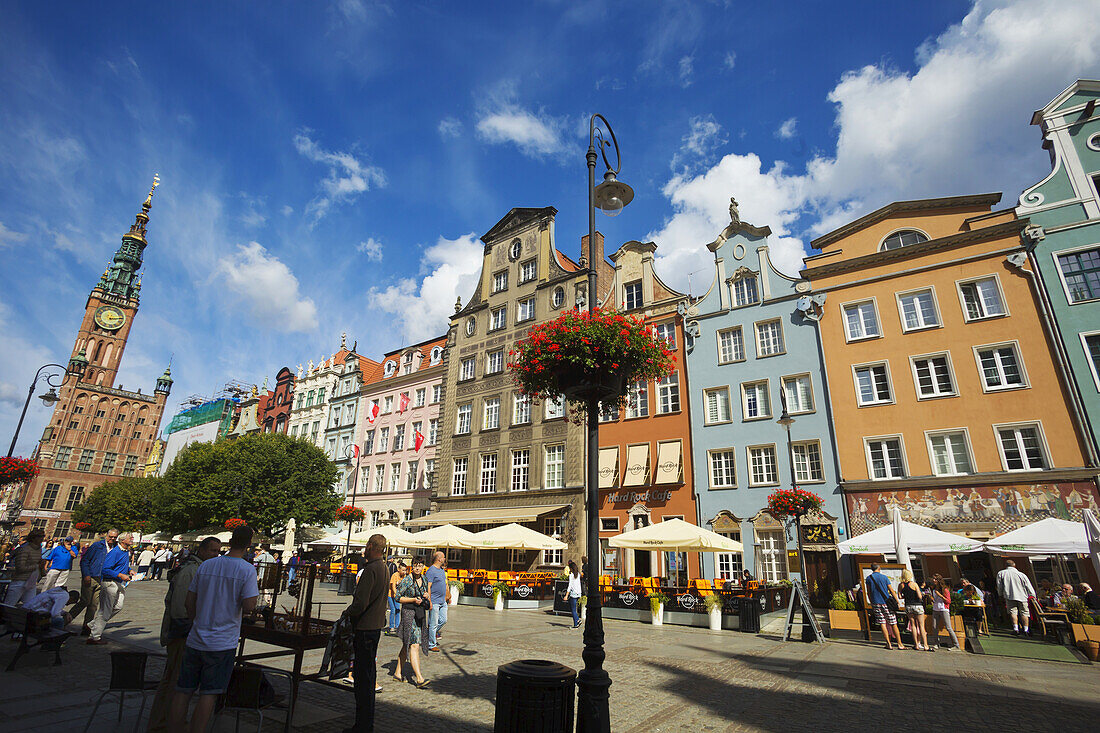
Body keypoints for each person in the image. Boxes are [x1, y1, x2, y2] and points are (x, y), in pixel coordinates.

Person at [169, 525, 259, 733]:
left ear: (230, 541)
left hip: (196, 638)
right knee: (208, 693)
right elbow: (249, 606)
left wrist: (197, 621)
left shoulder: (208, 565)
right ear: (248, 544)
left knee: (183, 691)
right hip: (221, 642)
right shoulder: (246, 569)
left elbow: (189, 601)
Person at [148, 536, 221, 733]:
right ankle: (162, 724)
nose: (216, 555)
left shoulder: (199, 569)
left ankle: (165, 720)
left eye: (218, 551)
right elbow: (180, 607)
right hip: (182, 633)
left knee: (174, 679)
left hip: (186, 630)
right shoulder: (191, 571)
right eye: (213, 551)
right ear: (203, 550)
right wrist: (189, 628)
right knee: (174, 680)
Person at [344, 534, 390, 733]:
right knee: (369, 676)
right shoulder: (385, 568)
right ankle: (366, 722)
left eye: (366, 545)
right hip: (375, 627)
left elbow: (360, 603)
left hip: (364, 628)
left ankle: (362, 725)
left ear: (371, 546)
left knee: (363, 679)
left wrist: (347, 613)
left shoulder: (370, 569)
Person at [87, 532, 134, 644]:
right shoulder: (115, 552)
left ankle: (93, 624)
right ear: (123, 541)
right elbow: (105, 569)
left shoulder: (126, 551)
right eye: (130, 538)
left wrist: (129, 570)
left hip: (119, 583)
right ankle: (94, 637)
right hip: (110, 583)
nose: (132, 539)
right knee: (105, 611)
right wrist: (120, 575)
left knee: (118, 606)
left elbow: (122, 565)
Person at [394, 558, 431, 690]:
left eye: (420, 566)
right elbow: (398, 597)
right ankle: (419, 678)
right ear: (412, 566)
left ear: (423, 567)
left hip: (419, 614)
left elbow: (426, 594)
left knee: (407, 644)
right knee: (414, 645)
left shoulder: (425, 579)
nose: (417, 568)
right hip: (409, 614)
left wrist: (426, 595)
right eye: (415, 566)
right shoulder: (407, 580)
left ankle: (398, 673)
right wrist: (412, 600)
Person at [79, 528, 118, 635]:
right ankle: (65, 620)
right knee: (84, 602)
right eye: (111, 537)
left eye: (114, 537)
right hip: (91, 577)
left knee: (93, 605)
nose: (112, 539)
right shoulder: (97, 546)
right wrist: (86, 575)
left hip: (102, 579)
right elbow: (85, 560)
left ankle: (86, 627)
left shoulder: (115, 548)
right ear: (106, 536)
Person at [865, 563, 905, 650]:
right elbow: (891, 590)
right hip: (886, 602)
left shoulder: (869, 578)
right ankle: (899, 644)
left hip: (876, 602)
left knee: (882, 623)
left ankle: (888, 643)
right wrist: (897, 601)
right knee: (893, 623)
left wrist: (872, 603)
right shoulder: (884, 577)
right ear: (879, 568)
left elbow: (868, 592)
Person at [5, 529, 46, 605]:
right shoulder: (25, 549)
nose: (42, 538)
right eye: (40, 536)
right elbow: (20, 567)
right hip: (20, 580)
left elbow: (38, 564)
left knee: (30, 605)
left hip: (31, 581)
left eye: (43, 536)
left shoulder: (38, 550)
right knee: (9, 604)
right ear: (33, 538)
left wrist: (41, 566)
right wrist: (37, 565)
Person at [996, 559, 1035, 636]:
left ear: (1005, 566)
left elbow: (999, 586)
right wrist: (1032, 595)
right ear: (1014, 565)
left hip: (1009, 595)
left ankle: (1015, 628)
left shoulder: (1001, 573)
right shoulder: (1021, 574)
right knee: (1024, 613)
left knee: (1013, 612)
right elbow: (1028, 585)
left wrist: (1000, 594)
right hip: (1022, 596)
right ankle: (1026, 630)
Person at [898, 569, 930, 651]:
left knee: (913, 625)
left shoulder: (901, 585)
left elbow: (900, 596)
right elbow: (920, 596)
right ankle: (925, 645)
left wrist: (906, 596)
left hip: (908, 605)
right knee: (921, 626)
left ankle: (916, 644)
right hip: (917, 605)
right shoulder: (914, 584)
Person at [424, 551, 449, 651]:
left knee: (443, 620)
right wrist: (429, 601)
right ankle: (431, 644)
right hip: (434, 601)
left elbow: (445, 584)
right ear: (439, 559)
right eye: (443, 558)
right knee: (433, 624)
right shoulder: (431, 571)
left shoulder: (441, 570)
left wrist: (448, 595)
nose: (444, 559)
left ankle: (428, 633)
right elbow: (428, 586)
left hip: (442, 601)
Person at [928, 575, 960, 651]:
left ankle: (956, 645)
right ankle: (936, 643)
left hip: (943, 609)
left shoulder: (944, 589)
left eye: (935, 579)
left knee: (948, 627)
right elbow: (936, 600)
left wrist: (940, 596)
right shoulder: (934, 589)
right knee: (934, 627)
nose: (933, 580)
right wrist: (932, 599)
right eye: (933, 579)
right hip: (936, 609)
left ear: (939, 580)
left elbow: (948, 601)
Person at [388, 562, 407, 633]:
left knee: (398, 609)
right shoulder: (394, 575)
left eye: (405, 570)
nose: (404, 572)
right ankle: (391, 627)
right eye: (403, 570)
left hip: (398, 596)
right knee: (393, 610)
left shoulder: (404, 576)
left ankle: (397, 626)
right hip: (391, 595)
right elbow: (393, 587)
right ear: (399, 569)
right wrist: (397, 595)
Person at [566, 560, 582, 629]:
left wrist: (566, 595)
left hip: (573, 593)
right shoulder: (578, 574)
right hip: (578, 593)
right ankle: (576, 622)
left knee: (573, 609)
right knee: (574, 608)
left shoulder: (571, 575)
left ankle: (577, 621)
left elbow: (570, 585)